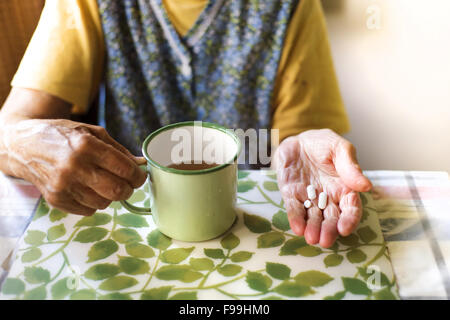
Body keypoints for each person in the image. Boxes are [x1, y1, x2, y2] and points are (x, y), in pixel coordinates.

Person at [0, 0, 372, 248]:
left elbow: (297, 141)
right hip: (135, 239)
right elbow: (9, 131)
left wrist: (306, 146)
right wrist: (23, 144)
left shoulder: (289, 7)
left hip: (245, 235)